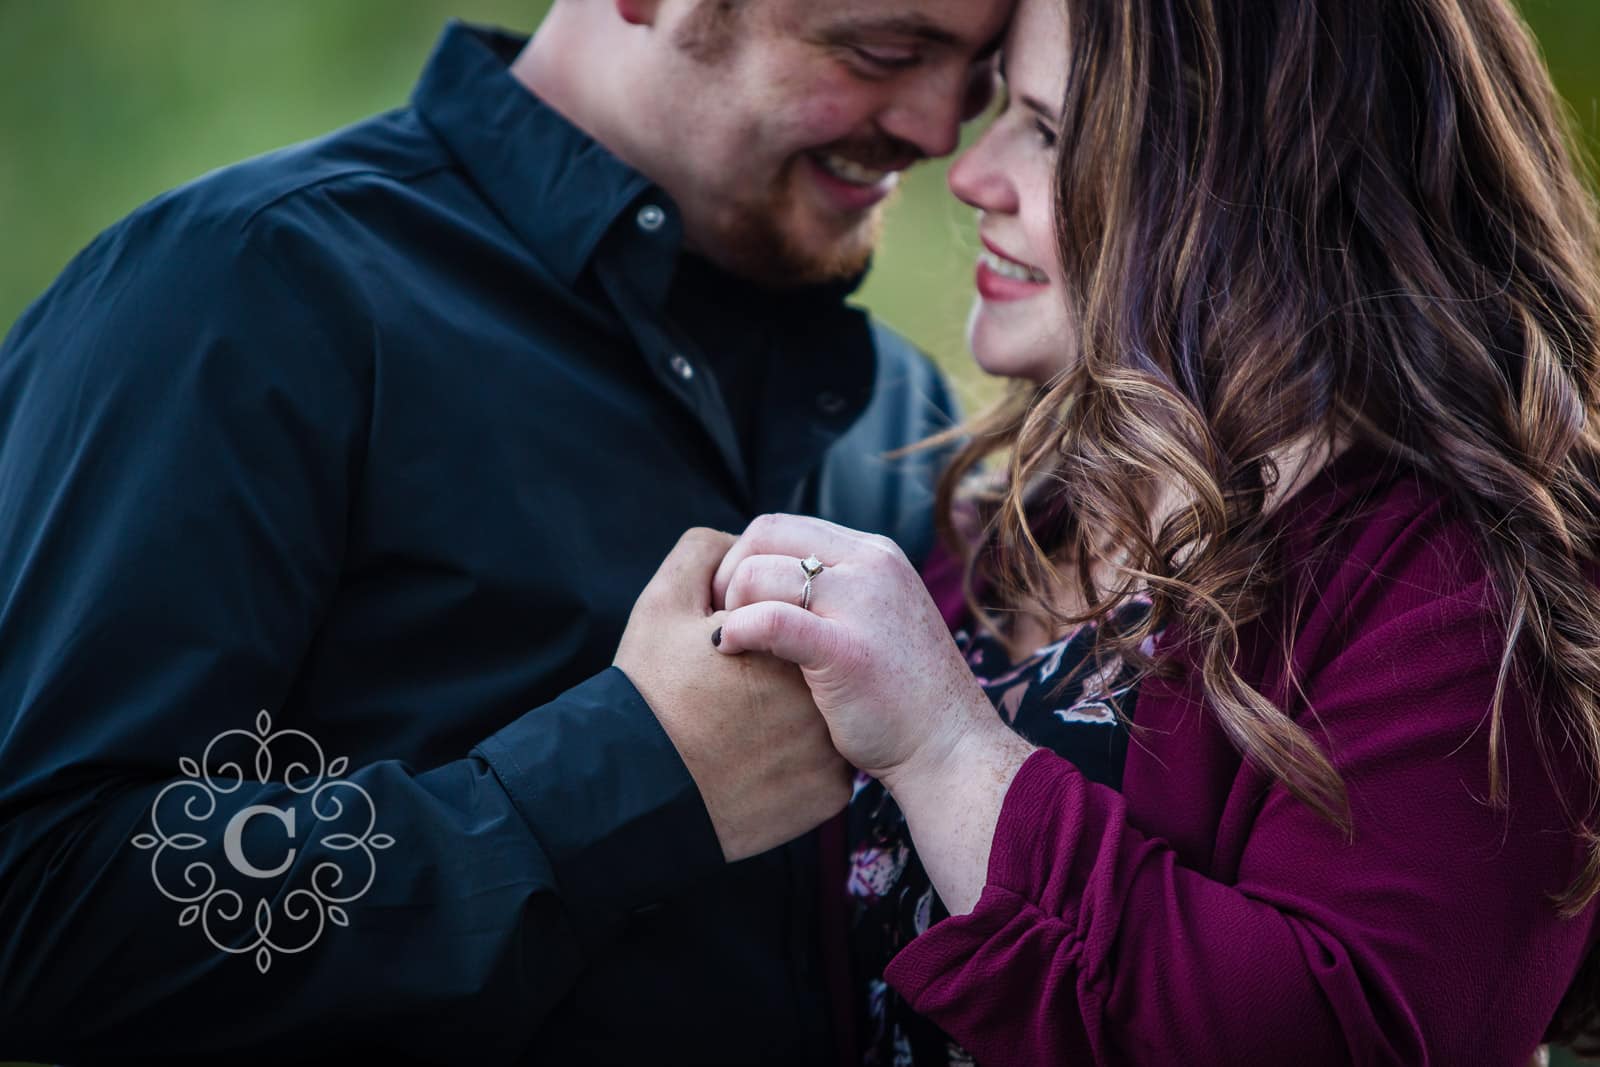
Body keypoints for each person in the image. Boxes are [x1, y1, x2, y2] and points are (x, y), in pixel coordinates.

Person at [0, 1, 1013, 1062]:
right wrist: (624, 781)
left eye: (979, 74)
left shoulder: (905, 417)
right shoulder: (240, 291)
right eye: (883, 52)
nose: (942, 130)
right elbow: (38, 899)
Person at [693, 0, 1600, 1060]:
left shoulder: (1458, 588)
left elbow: (1334, 1034)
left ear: (1247, 184)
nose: (970, 172)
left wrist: (945, 749)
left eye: (1045, 129)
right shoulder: (1015, 529)